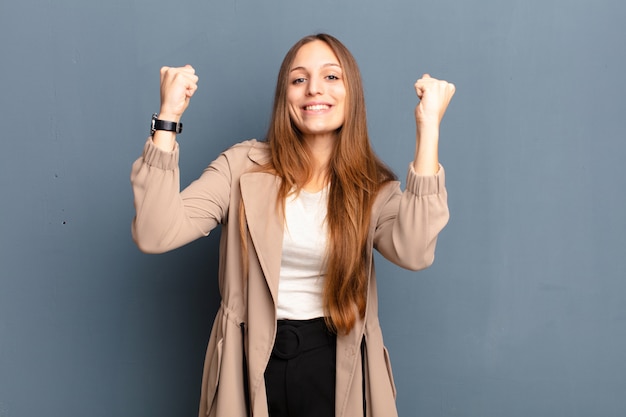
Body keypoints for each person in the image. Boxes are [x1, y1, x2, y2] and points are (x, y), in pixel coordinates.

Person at [131, 33, 454, 417]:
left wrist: (428, 127)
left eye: (331, 77)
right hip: (249, 360)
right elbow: (155, 232)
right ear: (285, 97)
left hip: (337, 363)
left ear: (352, 94)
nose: (314, 89)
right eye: (299, 79)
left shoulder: (373, 189)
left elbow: (415, 251)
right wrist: (168, 119)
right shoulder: (240, 167)